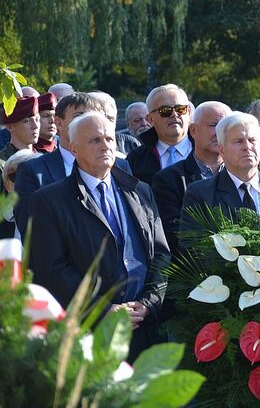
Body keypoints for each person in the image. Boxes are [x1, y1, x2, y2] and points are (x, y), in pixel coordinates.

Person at [29, 111, 170, 361]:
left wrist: (149, 302)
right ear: (73, 148)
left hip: (144, 329)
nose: (105, 145)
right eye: (95, 140)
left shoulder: (140, 191)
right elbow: (52, 270)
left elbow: (161, 254)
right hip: (88, 335)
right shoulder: (49, 201)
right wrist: (103, 310)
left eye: (109, 139)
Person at [13, 93, 131, 232]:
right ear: (59, 122)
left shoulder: (120, 166)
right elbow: (31, 230)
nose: (88, 124)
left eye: (93, 117)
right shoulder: (33, 171)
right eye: (80, 117)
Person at [151, 101, 230, 252]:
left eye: (226, 127)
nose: (220, 133)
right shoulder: (168, 179)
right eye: (214, 125)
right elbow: (175, 235)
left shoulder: (242, 175)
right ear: (193, 130)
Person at [180, 112, 260, 236]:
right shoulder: (201, 194)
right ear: (221, 150)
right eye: (238, 141)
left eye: (252, 140)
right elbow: (191, 244)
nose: (247, 146)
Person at [127, 84, 193, 185]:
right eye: (165, 111)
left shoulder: (208, 151)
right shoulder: (136, 160)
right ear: (150, 119)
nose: (174, 114)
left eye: (180, 109)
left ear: (189, 113)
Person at [89, 91, 141, 156]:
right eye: (100, 118)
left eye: (110, 119)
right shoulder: (79, 145)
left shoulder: (130, 144)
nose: (105, 124)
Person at [0, 95, 39, 164]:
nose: (35, 126)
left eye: (37, 120)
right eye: (27, 121)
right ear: (10, 127)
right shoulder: (3, 163)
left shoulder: (42, 159)